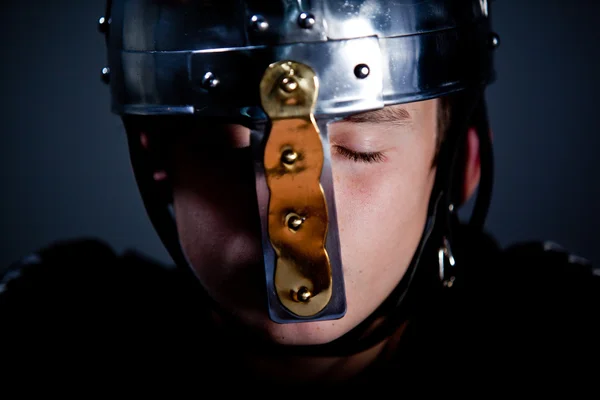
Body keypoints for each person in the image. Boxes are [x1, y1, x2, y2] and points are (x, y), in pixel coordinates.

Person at [1, 0, 598, 388]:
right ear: (158, 163)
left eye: (360, 150)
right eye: (229, 152)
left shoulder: (561, 337)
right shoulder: (50, 337)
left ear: (458, 167)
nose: (288, 212)